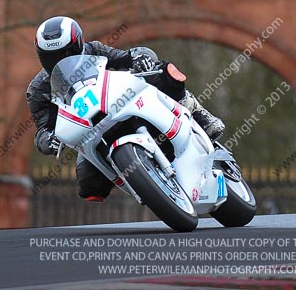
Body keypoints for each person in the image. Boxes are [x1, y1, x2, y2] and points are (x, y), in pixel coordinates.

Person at [27, 16, 225, 202]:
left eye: (66, 53)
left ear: (78, 44)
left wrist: (140, 58)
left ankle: (199, 113)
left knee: (162, 73)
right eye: (51, 57)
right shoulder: (38, 90)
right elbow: (43, 129)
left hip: (118, 103)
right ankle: (144, 182)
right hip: (89, 129)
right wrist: (49, 140)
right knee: (89, 187)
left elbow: (126, 57)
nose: (59, 60)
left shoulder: (93, 50)